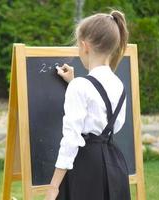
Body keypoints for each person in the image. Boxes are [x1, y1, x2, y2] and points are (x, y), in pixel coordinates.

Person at [45, 10, 130, 200]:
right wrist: (73, 83)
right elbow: (111, 122)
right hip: (114, 165)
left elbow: (71, 140)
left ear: (85, 46)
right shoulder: (118, 84)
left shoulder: (81, 86)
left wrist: (53, 187)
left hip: (85, 168)